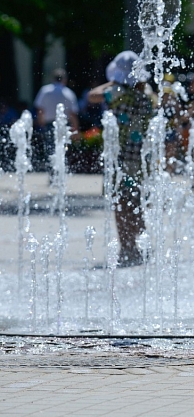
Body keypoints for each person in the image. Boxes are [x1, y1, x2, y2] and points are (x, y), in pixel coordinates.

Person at [88, 51, 154, 266]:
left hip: (120, 156)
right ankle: (141, 244)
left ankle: (128, 247)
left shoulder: (116, 92)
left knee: (120, 202)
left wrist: (112, 81)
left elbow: (92, 95)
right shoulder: (146, 94)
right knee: (136, 201)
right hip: (140, 156)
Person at [34, 69, 80, 171]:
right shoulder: (69, 93)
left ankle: (52, 174)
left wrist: (40, 121)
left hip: (49, 123)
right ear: (64, 80)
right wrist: (76, 128)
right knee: (62, 148)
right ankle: (61, 172)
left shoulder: (45, 91)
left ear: (53, 79)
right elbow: (73, 114)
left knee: (50, 149)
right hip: (64, 125)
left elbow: (40, 109)